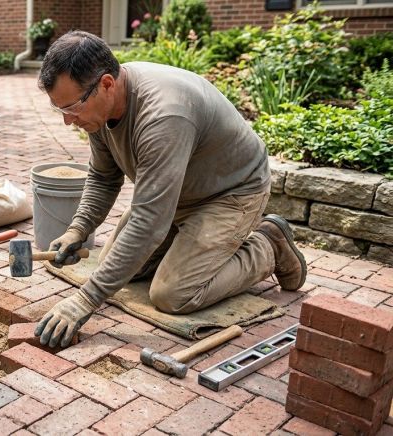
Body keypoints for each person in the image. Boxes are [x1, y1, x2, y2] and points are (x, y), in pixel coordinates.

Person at [33, 31, 307, 348]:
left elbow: (149, 221)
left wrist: (85, 300)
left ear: (106, 84)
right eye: (60, 110)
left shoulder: (163, 115)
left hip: (230, 193)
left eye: (72, 108)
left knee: (173, 294)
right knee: (116, 267)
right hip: (177, 194)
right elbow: (104, 177)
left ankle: (268, 245)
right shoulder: (100, 107)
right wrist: (78, 229)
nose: (68, 121)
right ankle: (186, 246)